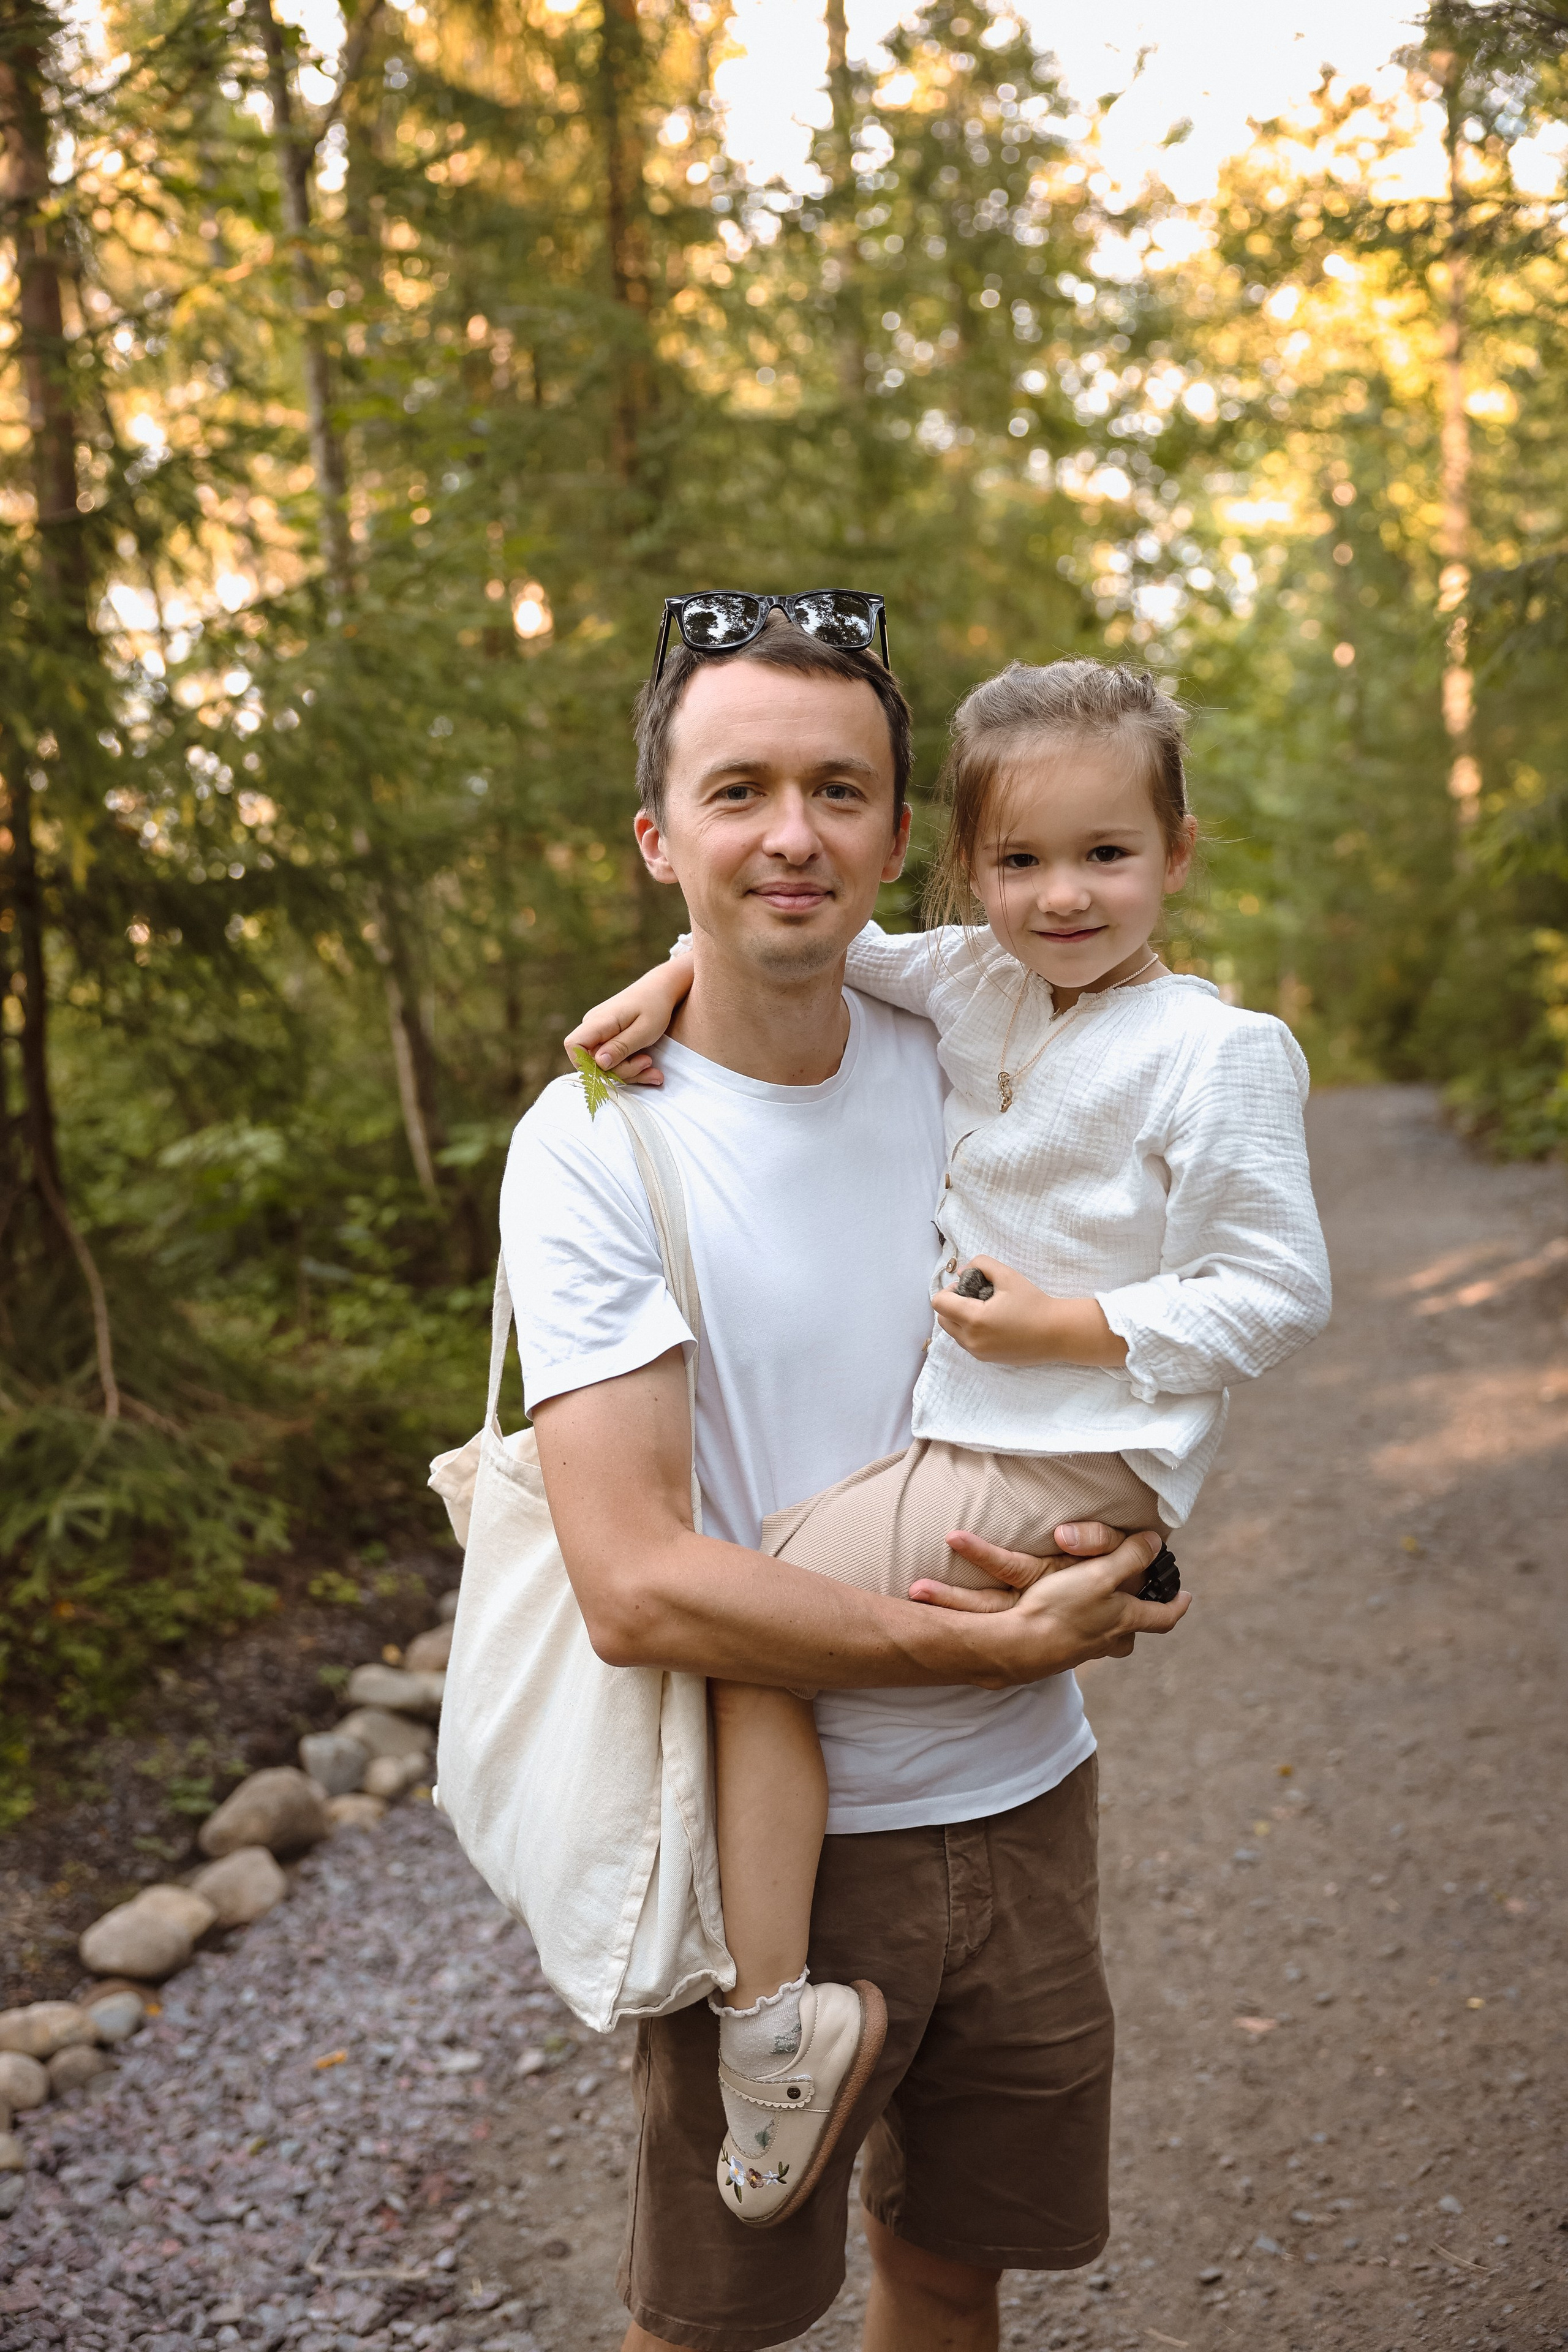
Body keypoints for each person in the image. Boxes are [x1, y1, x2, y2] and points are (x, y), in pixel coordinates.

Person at [567, 657, 1332, 2247]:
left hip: (1067, 1445)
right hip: (988, 1439)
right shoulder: (968, 981)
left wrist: (1077, 1327)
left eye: (1107, 855)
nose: (1064, 898)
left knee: (756, 1611)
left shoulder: (1217, 1046)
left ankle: (774, 2013)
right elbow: (809, 939)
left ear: (1177, 855)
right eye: (1022, 862)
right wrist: (663, 979)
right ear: (969, 870)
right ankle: (780, 2005)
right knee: (745, 1613)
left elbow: (1282, 1286)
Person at [508, 604, 1188, 2352]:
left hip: (1031, 1804)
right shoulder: (597, 1145)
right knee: (716, 2320)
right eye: (739, 791)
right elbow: (636, 1581)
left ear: (905, 841)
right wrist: (976, 1646)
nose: (793, 833)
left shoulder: (987, 1056)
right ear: (660, 836)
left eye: (840, 791)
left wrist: (1118, 1558)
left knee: (956, 2276)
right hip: (770, 1868)